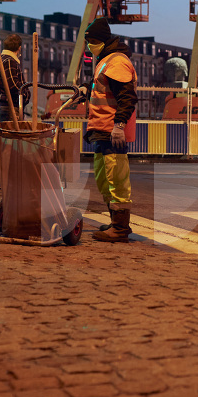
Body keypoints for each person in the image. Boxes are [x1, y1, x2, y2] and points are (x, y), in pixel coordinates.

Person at [82, 17, 137, 242]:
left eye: (92, 41)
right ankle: (115, 220)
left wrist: (119, 126)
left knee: (117, 178)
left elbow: (127, 97)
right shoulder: (105, 60)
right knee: (104, 178)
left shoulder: (116, 62)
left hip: (111, 131)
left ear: (103, 41)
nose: (89, 46)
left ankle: (121, 228)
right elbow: (106, 91)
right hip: (100, 130)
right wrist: (86, 89)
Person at [0, 34, 30, 124]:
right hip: (11, 109)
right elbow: (13, 86)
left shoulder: (3, 59)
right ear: (19, 48)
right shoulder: (9, 61)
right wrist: (26, 95)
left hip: (8, 108)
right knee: (13, 137)